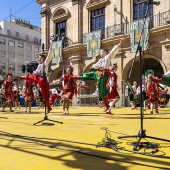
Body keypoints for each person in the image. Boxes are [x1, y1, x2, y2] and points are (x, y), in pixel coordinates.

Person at [74, 38, 126, 114]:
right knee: (89, 75)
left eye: (101, 52)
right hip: (98, 72)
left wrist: (119, 44)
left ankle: (107, 106)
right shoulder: (100, 60)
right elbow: (95, 66)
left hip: (103, 73)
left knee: (101, 87)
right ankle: (75, 77)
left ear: (105, 52)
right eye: (100, 52)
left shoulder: (107, 57)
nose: (100, 53)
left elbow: (113, 51)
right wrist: (92, 67)